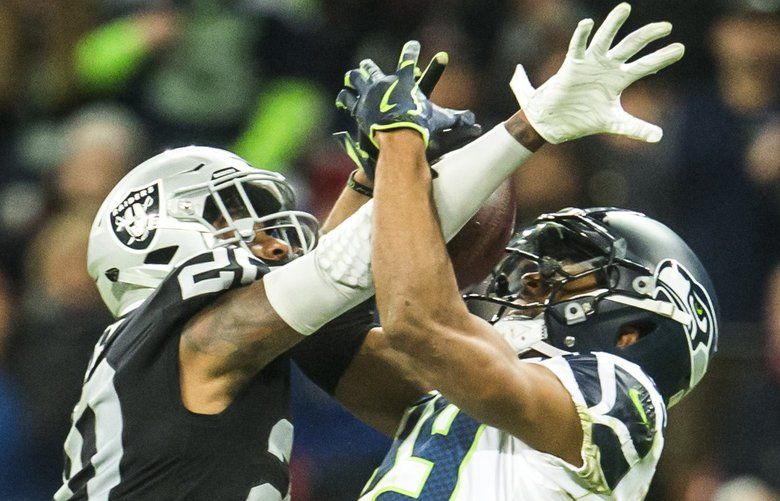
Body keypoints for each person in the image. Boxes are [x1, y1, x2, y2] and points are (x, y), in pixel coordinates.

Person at [56, 3, 682, 499]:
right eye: (239, 219)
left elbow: (355, 314)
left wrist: (381, 165)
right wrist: (451, 141)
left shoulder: (619, 395)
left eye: (556, 280)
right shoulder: (191, 339)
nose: (274, 238)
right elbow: (342, 289)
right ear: (151, 235)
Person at [341, 11, 717, 501]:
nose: (531, 280)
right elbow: (323, 332)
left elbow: (417, 324)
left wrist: (400, 145)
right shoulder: (465, 388)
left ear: (634, 330)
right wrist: (373, 180)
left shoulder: (625, 395)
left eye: (570, 270)